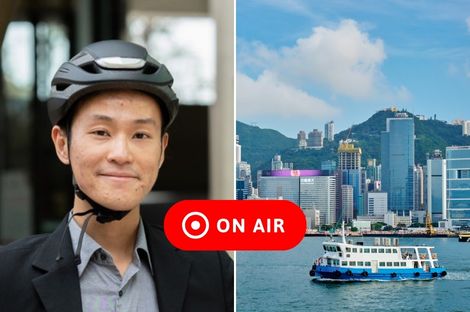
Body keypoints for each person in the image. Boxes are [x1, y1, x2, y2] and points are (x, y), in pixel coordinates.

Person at [0, 40, 233, 312]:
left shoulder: (212, 271)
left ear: (161, 150)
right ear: (62, 144)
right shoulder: (7, 278)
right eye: (101, 132)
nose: (121, 154)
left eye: (141, 135)